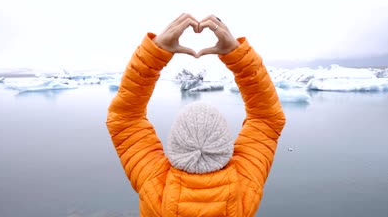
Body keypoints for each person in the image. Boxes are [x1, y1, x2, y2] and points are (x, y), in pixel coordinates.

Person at [106, 13, 286, 217]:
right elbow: (266, 119)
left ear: (175, 144)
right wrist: (238, 55)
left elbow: (125, 119)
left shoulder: (155, 182)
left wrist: (154, 53)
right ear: (223, 146)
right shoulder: (244, 184)